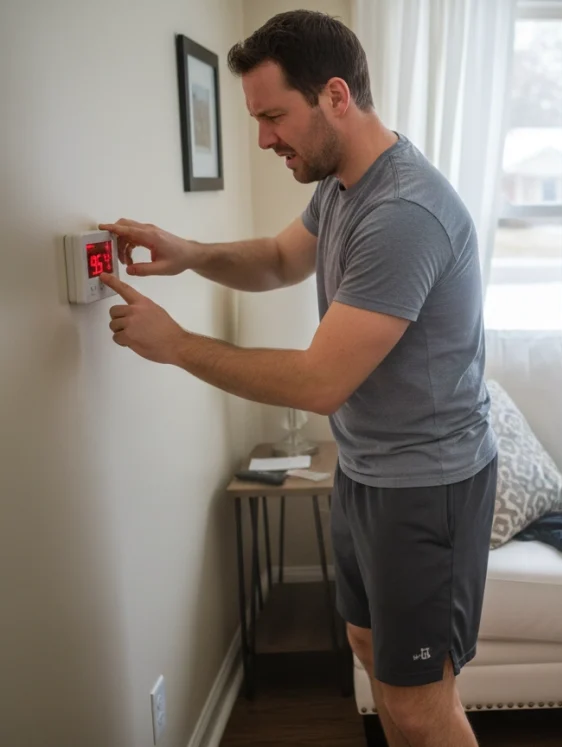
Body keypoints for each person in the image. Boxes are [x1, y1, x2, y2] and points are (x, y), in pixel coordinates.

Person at [97, 10, 497, 747]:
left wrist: (177, 344)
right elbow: (282, 258)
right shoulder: (344, 184)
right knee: (370, 650)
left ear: (335, 96)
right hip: (368, 469)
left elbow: (318, 382)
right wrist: (188, 252)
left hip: (427, 485)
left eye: (273, 116)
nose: (263, 139)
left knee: (420, 704)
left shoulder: (403, 212)